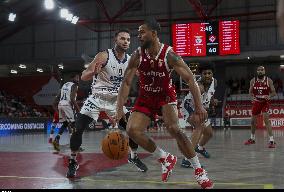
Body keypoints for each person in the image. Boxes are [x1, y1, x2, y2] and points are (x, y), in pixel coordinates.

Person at [115, 18, 213, 189]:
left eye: (142, 32)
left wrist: (199, 106)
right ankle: (165, 157)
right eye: (138, 33)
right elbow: (127, 82)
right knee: (131, 130)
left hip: (165, 96)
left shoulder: (170, 55)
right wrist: (118, 108)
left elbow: (190, 79)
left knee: (174, 129)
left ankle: (199, 171)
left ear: (154, 33)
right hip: (145, 96)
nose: (139, 36)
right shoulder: (137, 55)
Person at [66, 29, 147, 178]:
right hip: (96, 98)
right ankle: (73, 161)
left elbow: (143, 75)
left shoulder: (130, 60)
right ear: (115, 40)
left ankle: (133, 156)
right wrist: (92, 73)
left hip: (115, 101)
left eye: (128, 40)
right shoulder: (104, 56)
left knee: (133, 129)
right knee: (78, 128)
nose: (125, 42)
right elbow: (84, 76)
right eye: (122, 38)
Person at [180, 63, 217, 168]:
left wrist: (213, 103)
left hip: (200, 107)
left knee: (209, 133)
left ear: (212, 74)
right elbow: (197, 106)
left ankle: (199, 148)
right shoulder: (198, 87)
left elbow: (211, 94)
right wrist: (206, 109)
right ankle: (187, 159)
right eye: (204, 73)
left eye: (209, 73)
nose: (207, 75)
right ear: (201, 74)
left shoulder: (215, 81)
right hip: (189, 107)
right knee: (199, 126)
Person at [244, 66, 276, 148]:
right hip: (257, 102)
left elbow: (274, 92)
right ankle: (252, 138)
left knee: (266, 120)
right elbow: (250, 92)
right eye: (259, 70)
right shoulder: (253, 81)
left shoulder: (269, 80)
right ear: (257, 71)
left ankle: (272, 141)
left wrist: (270, 96)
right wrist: (251, 98)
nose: (260, 71)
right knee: (252, 121)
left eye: (262, 70)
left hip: (265, 102)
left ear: (264, 71)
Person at [52, 74, 81, 151]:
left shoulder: (64, 85)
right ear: (72, 78)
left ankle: (56, 139)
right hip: (67, 105)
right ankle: (75, 145)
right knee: (75, 125)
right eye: (77, 77)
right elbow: (72, 99)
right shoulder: (74, 85)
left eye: (79, 78)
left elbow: (54, 101)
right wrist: (79, 110)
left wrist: (57, 110)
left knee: (65, 124)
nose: (78, 79)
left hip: (60, 104)